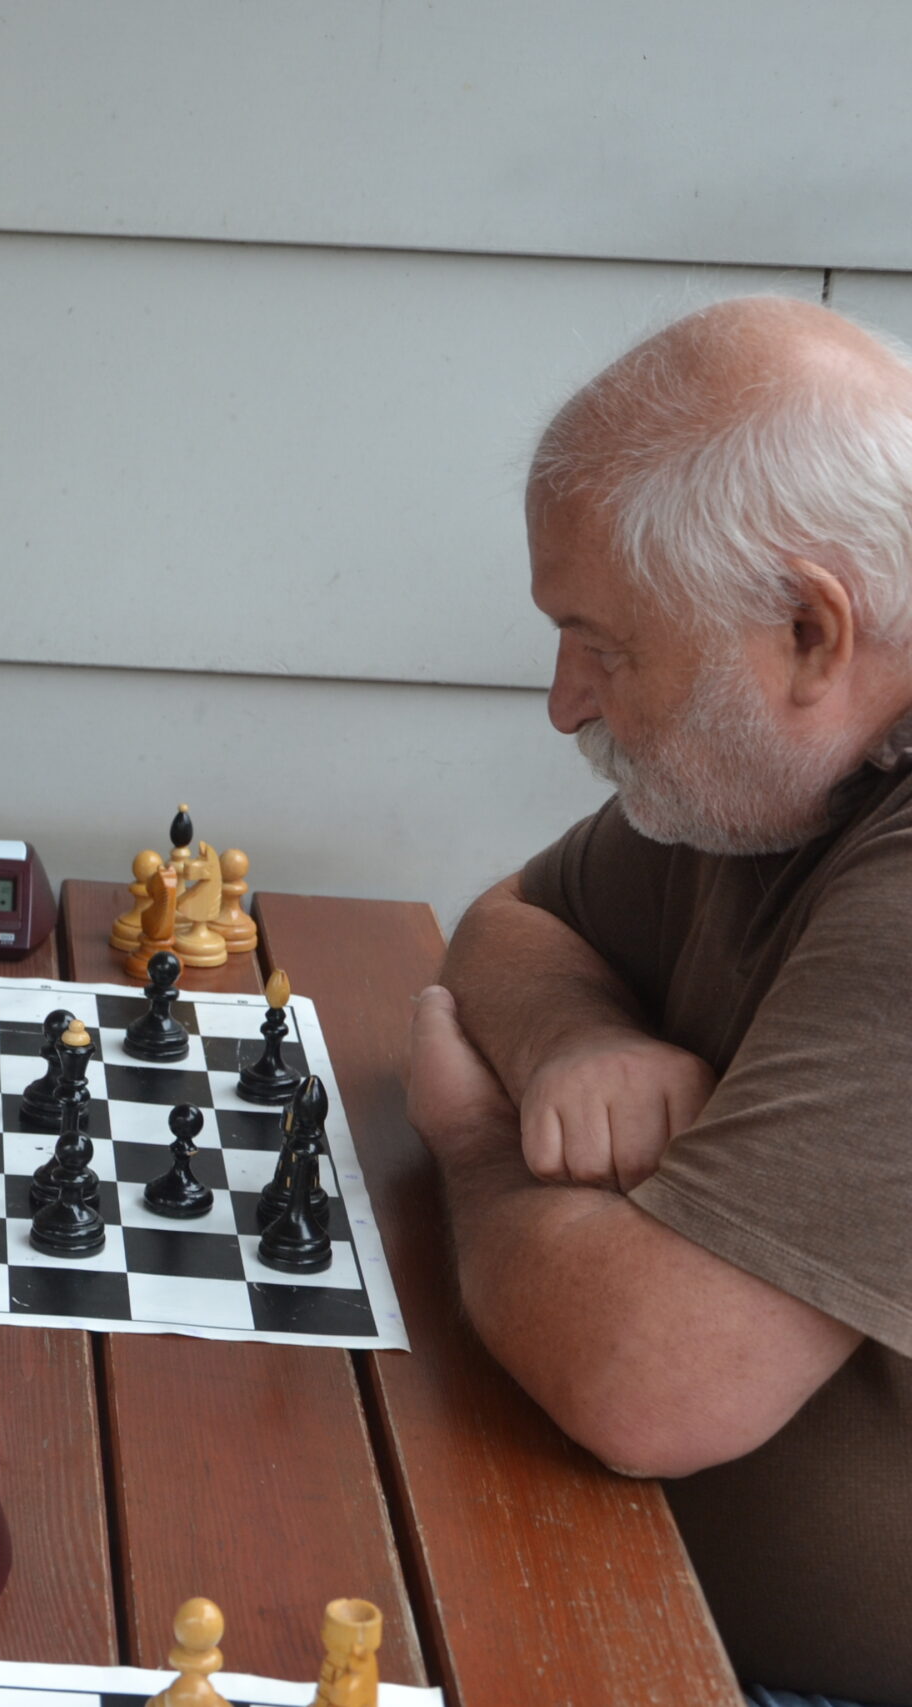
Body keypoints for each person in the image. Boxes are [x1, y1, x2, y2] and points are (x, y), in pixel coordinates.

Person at [409, 295, 912, 1707]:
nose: (566, 702)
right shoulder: (782, 768)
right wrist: (577, 1037)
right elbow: (511, 922)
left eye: (607, 645)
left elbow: (652, 1383)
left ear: (810, 629)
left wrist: (477, 1142)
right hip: (608, 1561)